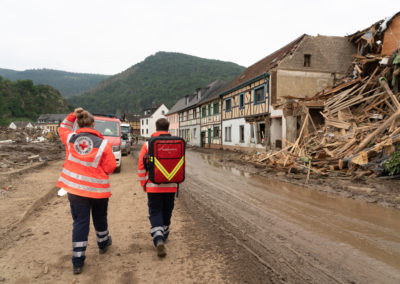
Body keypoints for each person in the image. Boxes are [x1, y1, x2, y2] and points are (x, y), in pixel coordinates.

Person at [56, 107, 116, 274]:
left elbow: (62, 127)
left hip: (76, 191)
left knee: (80, 223)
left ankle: (77, 261)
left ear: (78, 123)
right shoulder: (104, 144)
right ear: (93, 124)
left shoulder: (70, 138)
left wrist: (72, 115)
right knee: (100, 217)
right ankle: (103, 244)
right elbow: (111, 167)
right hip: (98, 191)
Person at [137, 118, 178, 257]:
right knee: (167, 209)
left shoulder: (148, 144)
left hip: (153, 185)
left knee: (155, 211)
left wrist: (143, 183)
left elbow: (141, 166)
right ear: (168, 128)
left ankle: (158, 237)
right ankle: (165, 233)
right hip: (172, 184)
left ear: (156, 128)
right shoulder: (177, 142)